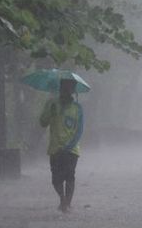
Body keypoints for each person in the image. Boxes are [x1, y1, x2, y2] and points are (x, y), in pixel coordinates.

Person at [40, 78, 84, 213]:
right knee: (56, 178)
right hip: (55, 148)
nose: (67, 92)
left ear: (73, 91)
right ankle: (62, 199)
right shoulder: (52, 104)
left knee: (70, 176)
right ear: (60, 89)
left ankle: (67, 203)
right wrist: (50, 113)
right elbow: (42, 122)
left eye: (70, 89)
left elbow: (79, 130)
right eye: (64, 88)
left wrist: (69, 146)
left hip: (71, 149)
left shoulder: (77, 108)